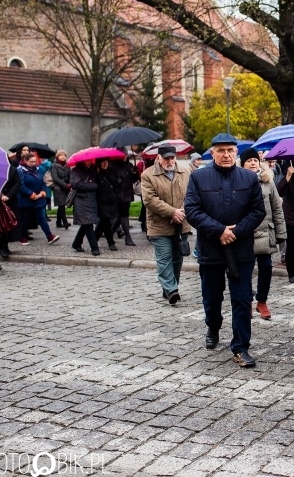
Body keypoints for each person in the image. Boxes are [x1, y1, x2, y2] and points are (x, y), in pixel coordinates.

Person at [185, 133, 265, 368]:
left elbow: (258, 211)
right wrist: (219, 230)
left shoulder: (248, 179)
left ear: (236, 152)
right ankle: (213, 325)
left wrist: (236, 231)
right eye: (221, 150)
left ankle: (241, 347)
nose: (226, 154)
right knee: (212, 297)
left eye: (230, 150)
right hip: (211, 248)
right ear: (212, 153)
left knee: (242, 300)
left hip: (241, 250)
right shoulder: (198, 178)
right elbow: (192, 210)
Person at [142, 145, 191, 305]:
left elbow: (191, 194)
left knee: (177, 260)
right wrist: (172, 212)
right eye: (166, 158)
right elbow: (150, 200)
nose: (170, 161)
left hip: (181, 224)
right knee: (164, 259)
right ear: (158, 158)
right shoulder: (148, 175)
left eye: (172, 158)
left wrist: (181, 212)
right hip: (159, 226)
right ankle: (171, 291)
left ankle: (170, 287)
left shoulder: (186, 172)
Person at [241, 148, 285, 320]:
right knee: (245, 270)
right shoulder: (237, 181)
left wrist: (281, 233)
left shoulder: (268, 181)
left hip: (266, 232)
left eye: (255, 160)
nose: (253, 163)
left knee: (266, 268)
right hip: (245, 234)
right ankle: (247, 302)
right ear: (242, 164)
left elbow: (277, 208)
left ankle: (262, 301)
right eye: (249, 161)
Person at [16, 153, 60, 245]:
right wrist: (30, 193)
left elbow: (42, 182)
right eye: (31, 162)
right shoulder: (20, 171)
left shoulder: (37, 170)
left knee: (42, 218)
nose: (33, 163)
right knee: (24, 219)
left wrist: (43, 191)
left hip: (39, 199)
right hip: (25, 200)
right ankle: (22, 237)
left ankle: (49, 236)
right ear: (25, 161)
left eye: (34, 161)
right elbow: (20, 185)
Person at [70, 160, 101, 255]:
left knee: (86, 223)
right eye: (86, 161)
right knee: (88, 223)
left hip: (92, 200)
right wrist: (94, 185)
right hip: (81, 200)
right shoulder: (75, 171)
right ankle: (94, 248)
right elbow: (77, 184)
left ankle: (76, 243)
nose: (89, 162)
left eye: (90, 161)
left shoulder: (93, 170)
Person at [111, 157, 139, 246]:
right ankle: (128, 237)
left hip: (127, 193)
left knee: (120, 216)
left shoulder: (129, 165)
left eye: (126, 154)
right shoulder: (114, 165)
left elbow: (134, 180)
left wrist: (135, 173)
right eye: (122, 155)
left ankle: (110, 233)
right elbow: (111, 178)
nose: (124, 156)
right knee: (124, 215)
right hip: (118, 194)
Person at [93, 158, 119, 251]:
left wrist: (115, 194)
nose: (105, 164)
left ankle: (94, 239)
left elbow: (116, 184)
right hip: (101, 201)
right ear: (99, 163)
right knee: (106, 221)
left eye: (106, 162)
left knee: (103, 222)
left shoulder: (111, 171)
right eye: (103, 162)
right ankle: (111, 242)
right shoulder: (96, 173)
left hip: (111, 200)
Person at [0, 165, 20, 259]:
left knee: (8, 223)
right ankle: (1, 246)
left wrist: (8, 195)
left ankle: (6, 245)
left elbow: (17, 183)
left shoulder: (13, 170)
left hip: (9, 201)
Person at [50, 150, 71, 229]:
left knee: (61, 205)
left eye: (64, 155)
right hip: (58, 188)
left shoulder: (68, 165)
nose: (62, 157)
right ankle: (65, 222)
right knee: (61, 205)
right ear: (57, 157)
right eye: (60, 155)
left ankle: (58, 222)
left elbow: (70, 176)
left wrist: (69, 184)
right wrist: (64, 185)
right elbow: (55, 178)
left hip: (66, 188)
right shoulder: (54, 165)